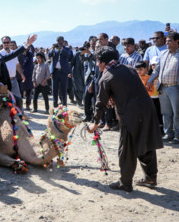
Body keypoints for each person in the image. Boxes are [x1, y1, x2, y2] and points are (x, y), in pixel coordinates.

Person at [87, 46, 163, 192]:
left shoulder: (107, 76)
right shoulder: (129, 68)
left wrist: (95, 123)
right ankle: (151, 177)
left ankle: (125, 183)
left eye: (97, 61)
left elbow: (100, 103)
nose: (97, 65)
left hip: (130, 114)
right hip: (148, 109)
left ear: (102, 62)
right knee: (146, 143)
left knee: (127, 148)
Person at [147, 32, 179, 144]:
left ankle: (177, 135)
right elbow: (157, 70)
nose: (167, 43)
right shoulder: (163, 53)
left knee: (177, 113)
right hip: (163, 87)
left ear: (177, 41)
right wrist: (150, 80)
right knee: (166, 113)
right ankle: (168, 134)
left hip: (175, 88)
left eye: (169, 41)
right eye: (166, 41)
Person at [48, 36, 73, 107]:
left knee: (64, 89)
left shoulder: (67, 48)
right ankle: (55, 104)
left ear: (63, 41)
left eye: (61, 40)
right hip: (55, 72)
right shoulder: (54, 49)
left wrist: (61, 48)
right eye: (58, 41)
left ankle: (64, 104)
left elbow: (68, 56)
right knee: (54, 89)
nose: (60, 42)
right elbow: (49, 55)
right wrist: (52, 49)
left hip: (63, 72)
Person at [21, 45, 35, 111]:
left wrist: (30, 44)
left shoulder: (30, 55)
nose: (26, 49)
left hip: (29, 75)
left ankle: (27, 105)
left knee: (29, 91)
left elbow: (33, 50)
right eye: (25, 47)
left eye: (27, 48)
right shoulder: (21, 55)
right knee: (21, 91)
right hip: (22, 75)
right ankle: (20, 106)